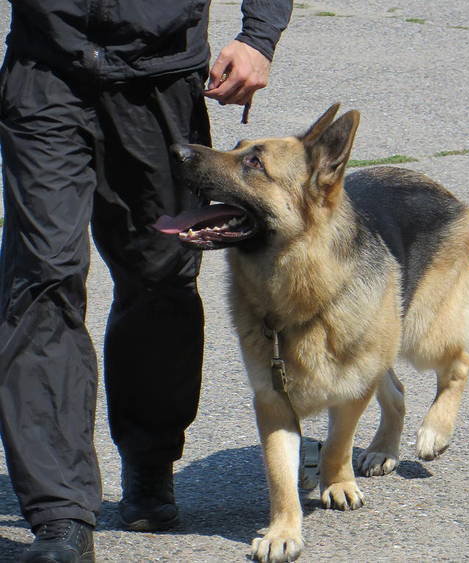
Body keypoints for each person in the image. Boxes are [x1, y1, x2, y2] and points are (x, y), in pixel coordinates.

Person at [0, 1, 293, 561]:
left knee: (160, 275)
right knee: (42, 280)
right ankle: (60, 514)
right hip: (46, 70)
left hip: (160, 77)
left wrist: (258, 37)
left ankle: (149, 458)